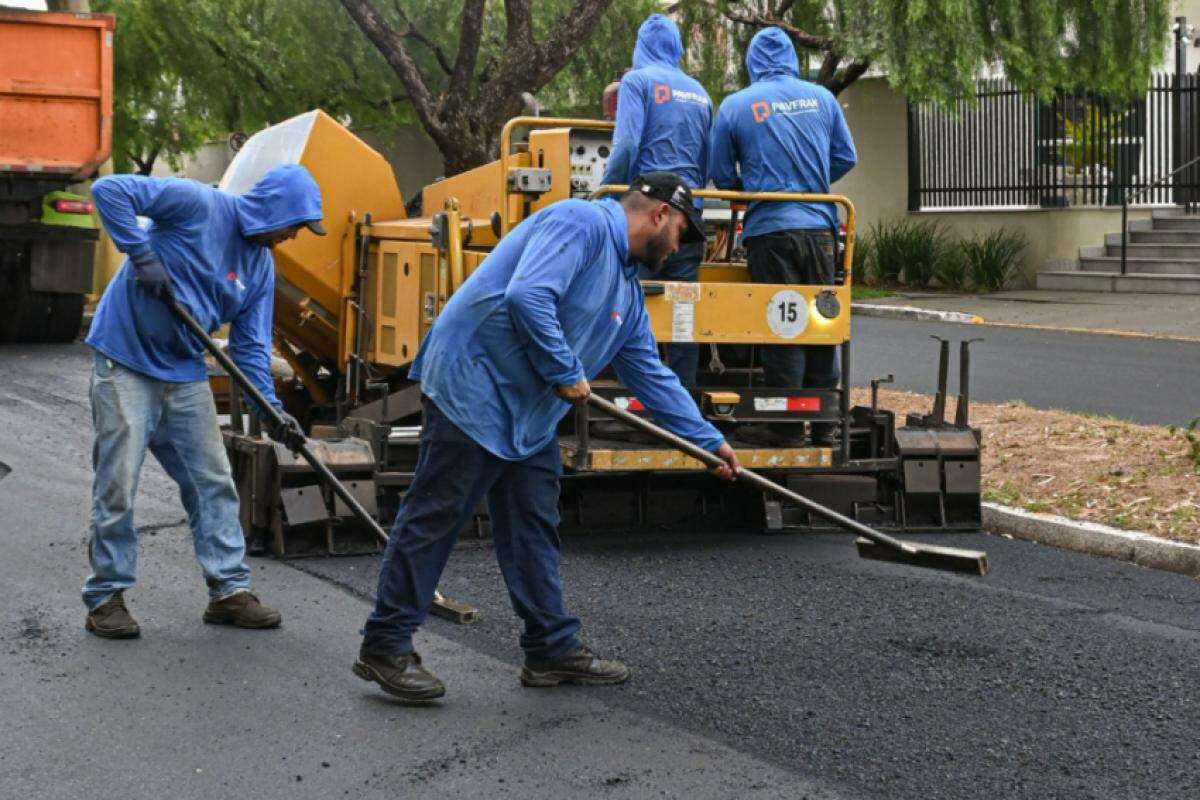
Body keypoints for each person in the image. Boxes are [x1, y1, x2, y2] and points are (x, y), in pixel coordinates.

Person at [353, 172, 740, 702]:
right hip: (475, 385)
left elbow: (651, 376)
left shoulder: (625, 291)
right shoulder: (579, 223)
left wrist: (706, 442)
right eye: (680, 233)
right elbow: (528, 295)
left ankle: (550, 649)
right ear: (658, 215)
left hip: (527, 413)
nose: (678, 248)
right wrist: (562, 367)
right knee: (436, 515)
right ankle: (385, 645)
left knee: (533, 523)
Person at [82, 164, 324, 638]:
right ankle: (106, 597)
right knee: (118, 480)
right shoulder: (199, 204)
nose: (294, 236)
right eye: (295, 224)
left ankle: (229, 591)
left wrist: (271, 412)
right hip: (125, 359)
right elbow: (108, 189)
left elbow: (253, 349)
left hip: (184, 369)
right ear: (273, 208)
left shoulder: (259, 268)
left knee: (213, 480)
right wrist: (142, 254)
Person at [709, 27, 857, 447]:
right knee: (821, 319)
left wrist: (758, 186)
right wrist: (808, 181)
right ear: (793, 57)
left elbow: (720, 173)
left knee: (783, 322)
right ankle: (827, 425)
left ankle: (785, 426)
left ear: (751, 61)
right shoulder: (823, 99)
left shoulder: (736, 106)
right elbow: (846, 156)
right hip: (822, 229)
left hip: (771, 230)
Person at [599, 13, 712, 392]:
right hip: (687, 212)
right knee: (683, 314)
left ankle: (628, 399)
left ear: (642, 44)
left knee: (627, 306)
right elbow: (706, 159)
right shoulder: (700, 92)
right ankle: (681, 403)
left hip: (647, 213)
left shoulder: (637, 81)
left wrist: (605, 193)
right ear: (678, 49)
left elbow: (627, 144)